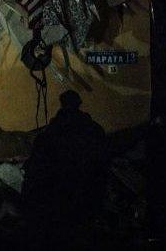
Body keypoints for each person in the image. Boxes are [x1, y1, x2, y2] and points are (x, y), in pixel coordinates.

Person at [22, 90, 108, 244]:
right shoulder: (93, 131)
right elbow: (101, 168)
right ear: (79, 104)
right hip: (82, 200)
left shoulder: (50, 134)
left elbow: (35, 172)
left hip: (57, 201)